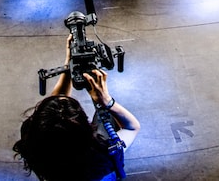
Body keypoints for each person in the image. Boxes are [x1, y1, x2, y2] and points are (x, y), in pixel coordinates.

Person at [13, 36, 140, 181]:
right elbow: (132, 128)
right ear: (86, 132)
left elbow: (55, 112)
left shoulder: (33, 143)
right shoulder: (103, 155)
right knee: (106, 116)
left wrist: (70, 65)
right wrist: (106, 101)